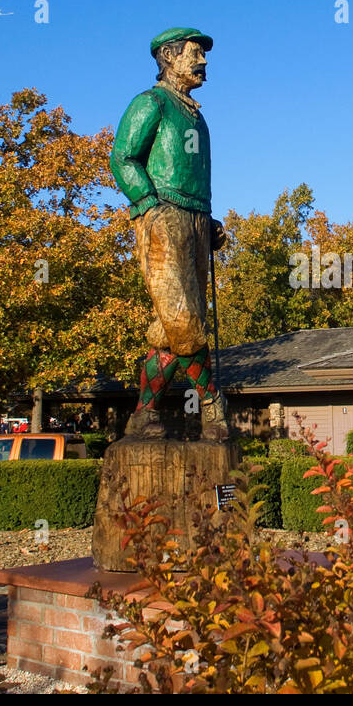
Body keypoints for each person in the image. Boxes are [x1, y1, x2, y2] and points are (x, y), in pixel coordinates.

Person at [110, 27, 229, 441]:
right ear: (169, 56)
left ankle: (144, 414)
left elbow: (192, 173)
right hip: (163, 217)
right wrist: (149, 205)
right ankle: (214, 405)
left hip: (195, 220)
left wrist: (207, 218)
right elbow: (123, 158)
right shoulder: (151, 103)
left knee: (168, 330)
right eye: (195, 53)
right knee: (184, 320)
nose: (203, 61)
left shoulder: (196, 114)